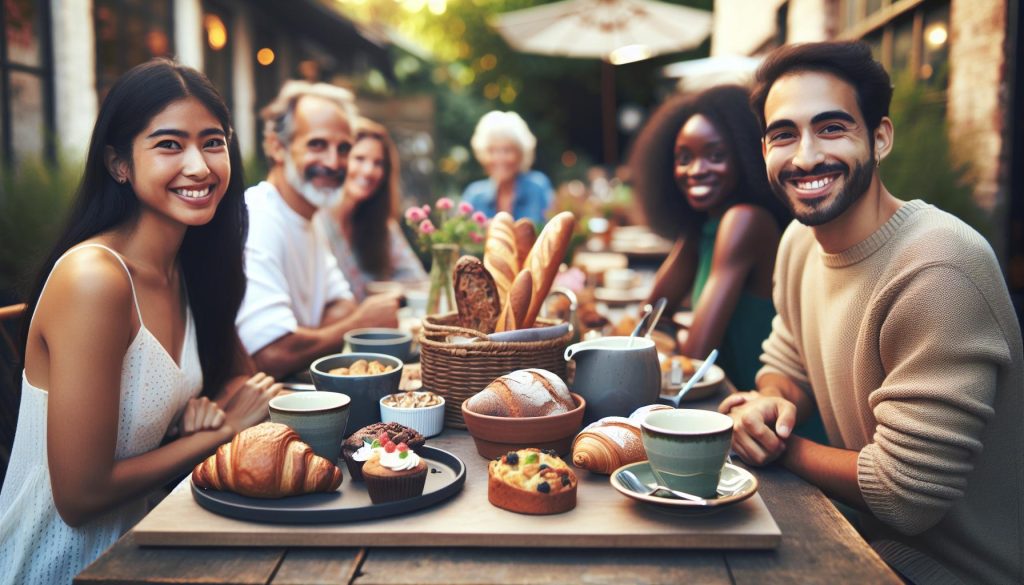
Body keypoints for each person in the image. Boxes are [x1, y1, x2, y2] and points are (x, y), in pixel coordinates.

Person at [718, 41, 1023, 584]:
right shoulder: (799, 242)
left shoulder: (939, 267)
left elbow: (906, 494)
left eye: (832, 128)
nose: (805, 157)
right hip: (865, 544)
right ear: (764, 149)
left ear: (880, 138)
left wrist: (778, 447)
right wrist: (771, 401)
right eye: (783, 134)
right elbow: (787, 361)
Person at [0, 59, 279, 585]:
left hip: (157, 545)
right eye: (169, 145)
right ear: (119, 164)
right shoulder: (95, 280)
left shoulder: (191, 264)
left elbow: (247, 385)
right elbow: (80, 496)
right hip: (64, 565)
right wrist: (218, 432)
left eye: (213, 142)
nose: (199, 166)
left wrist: (212, 410)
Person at [630, 85, 790, 390]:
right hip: (716, 399)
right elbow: (649, 318)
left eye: (715, 155)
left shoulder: (744, 220)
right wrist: (672, 333)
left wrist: (674, 334)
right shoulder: (705, 226)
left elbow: (694, 359)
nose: (696, 170)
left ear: (746, 156)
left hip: (756, 403)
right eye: (684, 158)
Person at [236, 81, 399, 379]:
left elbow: (343, 304)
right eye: (317, 145)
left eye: (344, 148)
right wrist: (360, 323)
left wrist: (301, 340)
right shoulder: (258, 217)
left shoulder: (310, 217)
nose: (333, 162)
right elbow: (271, 354)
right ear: (277, 147)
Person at [314, 118, 426, 301]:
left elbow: (418, 281)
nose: (368, 171)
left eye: (378, 163)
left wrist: (391, 291)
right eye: (359, 159)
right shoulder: (316, 222)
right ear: (340, 161)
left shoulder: (382, 226)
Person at [462, 110, 553, 224]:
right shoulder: (474, 195)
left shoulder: (537, 187)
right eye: (492, 150)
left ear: (521, 154)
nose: (499, 158)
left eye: (507, 150)